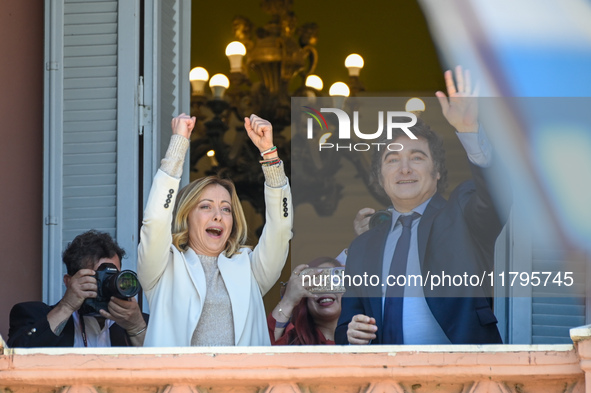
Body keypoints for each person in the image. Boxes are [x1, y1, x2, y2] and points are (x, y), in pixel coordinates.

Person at [336, 66, 508, 345]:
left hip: (464, 378)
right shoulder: (362, 246)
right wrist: (351, 332)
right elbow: (346, 328)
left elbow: (495, 198)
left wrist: (469, 132)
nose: (404, 169)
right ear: (381, 177)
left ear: (437, 171)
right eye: (392, 160)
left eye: (417, 158)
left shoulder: (462, 214)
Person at [138, 113, 292, 347]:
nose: (218, 216)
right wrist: (178, 145)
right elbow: (155, 221)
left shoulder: (250, 269)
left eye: (226, 209)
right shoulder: (162, 268)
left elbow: (281, 230)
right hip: (178, 383)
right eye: (205, 207)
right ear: (185, 216)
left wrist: (270, 155)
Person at [8, 230, 148, 347]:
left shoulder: (143, 323)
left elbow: (165, 367)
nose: (106, 284)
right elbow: (15, 359)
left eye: (112, 277)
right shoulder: (33, 315)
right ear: (69, 282)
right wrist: (66, 306)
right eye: (97, 277)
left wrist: (136, 327)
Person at [268, 257, 343, 345]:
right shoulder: (290, 341)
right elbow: (263, 349)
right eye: (315, 284)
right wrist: (288, 300)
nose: (325, 290)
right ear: (304, 300)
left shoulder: (361, 339)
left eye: (334, 282)